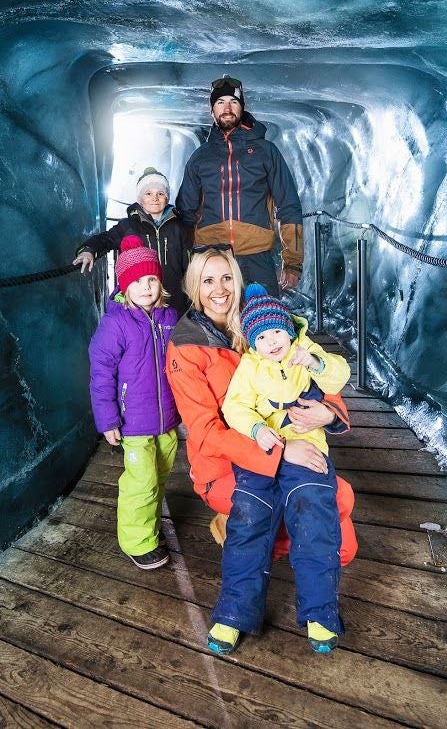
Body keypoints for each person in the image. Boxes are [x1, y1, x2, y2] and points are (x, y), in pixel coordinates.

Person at [165, 249, 359, 619]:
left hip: (284, 450)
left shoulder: (262, 322)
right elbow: (205, 433)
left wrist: (328, 412)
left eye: (226, 278)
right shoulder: (185, 347)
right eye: (208, 281)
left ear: (237, 281)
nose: (219, 290)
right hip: (227, 467)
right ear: (194, 287)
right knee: (337, 501)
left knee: (344, 549)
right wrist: (281, 451)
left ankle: (252, 531)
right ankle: (244, 525)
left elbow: (312, 368)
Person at [209, 284, 350, 655]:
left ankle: (320, 613)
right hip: (262, 452)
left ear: (288, 331)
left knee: (315, 514)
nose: (271, 342)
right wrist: (258, 429)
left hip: (309, 450)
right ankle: (234, 612)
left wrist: (316, 363)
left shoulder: (305, 352)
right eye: (262, 336)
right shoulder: (249, 368)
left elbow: (339, 375)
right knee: (248, 518)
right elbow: (234, 408)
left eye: (276, 332)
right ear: (252, 342)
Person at [88, 236, 182, 569]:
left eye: (152, 279)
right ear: (125, 286)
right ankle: (137, 542)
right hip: (133, 422)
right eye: (138, 281)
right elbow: (101, 374)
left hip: (167, 420)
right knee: (140, 482)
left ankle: (150, 528)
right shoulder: (116, 324)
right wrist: (108, 420)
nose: (146, 287)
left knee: (158, 476)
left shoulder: (169, 318)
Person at [175, 76, 304, 296]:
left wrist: (292, 262)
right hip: (212, 257)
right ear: (212, 111)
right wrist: (184, 263)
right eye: (220, 103)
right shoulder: (200, 157)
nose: (227, 108)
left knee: (265, 324)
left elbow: (289, 205)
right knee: (215, 328)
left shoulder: (267, 151)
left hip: (257, 257)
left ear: (242, 107)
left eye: (233, 102)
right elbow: (185, 213)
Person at [73, 167, 190, 312]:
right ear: (140, 199)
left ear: (167, 198)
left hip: (175, 300)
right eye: (148, 193)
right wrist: (88, 250)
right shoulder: (128, 226)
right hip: (140, 301)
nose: (155, 198)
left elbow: (190, 265)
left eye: (160, 193)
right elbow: (105, 239)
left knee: (173, 334)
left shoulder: (178, 228)